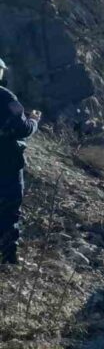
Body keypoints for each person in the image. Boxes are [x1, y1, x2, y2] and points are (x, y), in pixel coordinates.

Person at [0, 58, 42, 265]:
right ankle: (7, 260)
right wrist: (33, 120)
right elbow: (22, 129)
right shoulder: (6, 97)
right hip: (6, 165)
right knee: (8, 211)